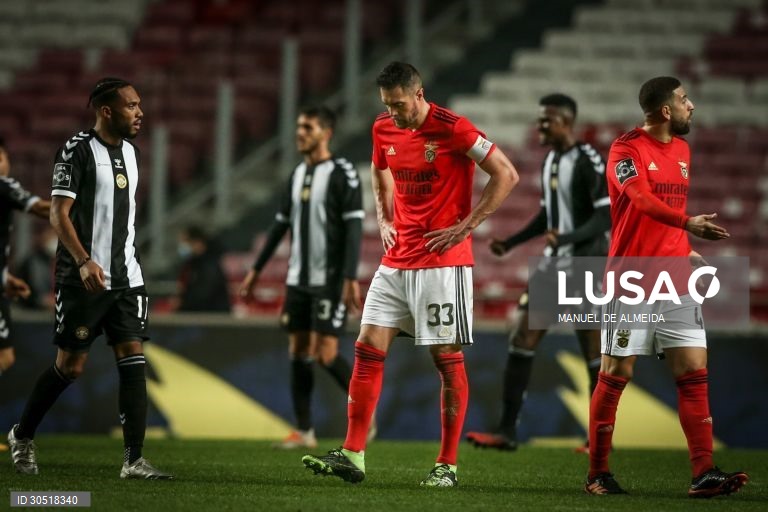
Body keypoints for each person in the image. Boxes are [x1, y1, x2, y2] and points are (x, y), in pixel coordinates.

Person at [301, 61, 519, 487]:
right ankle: (353, 454)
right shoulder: (383, 129)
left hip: (443, 262)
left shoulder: (454, 128)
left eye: (399, 105)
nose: (394, 114)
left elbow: (506, 174)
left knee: (445, 359)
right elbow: (379, 172)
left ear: (419, 95)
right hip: (397, 260)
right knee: (366, 347)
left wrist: (465, 227)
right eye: (387, 106)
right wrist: (384, 219)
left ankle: (447, 466)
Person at [584, 76, 747, 497]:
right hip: (632, 279)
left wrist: (684, 244)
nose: (691, 106)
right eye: (684, 99)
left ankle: (703, 473)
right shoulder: (626, 149)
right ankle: (598, 473)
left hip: (676, 276)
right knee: (616, 372)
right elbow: (640, 201)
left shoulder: (682, 150)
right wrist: (687, 223)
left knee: (693, 369)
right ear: (664, 111)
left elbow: (668, 208)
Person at [7, 77, 173, 480]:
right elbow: (58, 213)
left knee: (132, 358)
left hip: (127, 279)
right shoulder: (77, 150)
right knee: (70, 367)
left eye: (139, 104)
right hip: (82, 279)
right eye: (131, 105)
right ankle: (22, 434)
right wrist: (84, 261)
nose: (140, 112)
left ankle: (133, 460)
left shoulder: (132, 153)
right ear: (106, 111)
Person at [466, 94, 610, 452]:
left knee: (591, 347)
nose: (540, 125)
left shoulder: (588, 159)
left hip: (585, 262)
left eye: (546, 120)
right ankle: (506, 431)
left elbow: (606, 217)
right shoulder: (551, 162)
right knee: (522, 336)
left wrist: (570, 237)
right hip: (553, 262)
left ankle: (599, 440)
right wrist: (512, 242)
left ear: (565, 121)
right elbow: (548, 217)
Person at [240, 105, 365, 449]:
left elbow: (354, 227)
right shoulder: (296, 174)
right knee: (297, 350)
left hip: (329, 278)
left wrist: (350, 277)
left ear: (326, 133)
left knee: (325, 353)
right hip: (298, 279)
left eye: (307, 128)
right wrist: (255, 270)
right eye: (298, 127)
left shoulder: (343, 173)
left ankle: (366, 412)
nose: (300, 133)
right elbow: (280, 224)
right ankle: (305, 431)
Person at [0, 137, 52, 374]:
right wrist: (79, 206)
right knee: (3, 356)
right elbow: (41, 208)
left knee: (5, 356)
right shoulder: (3, 185)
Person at [175, 224, 231, 312]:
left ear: (198, 242)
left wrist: (183, 303)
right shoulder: (193, 264)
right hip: (196, 316)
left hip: (210, 318)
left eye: (186, 242)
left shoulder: (210, 265)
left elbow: (204, 294)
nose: (183, 246)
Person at [17, 227, 57, 311]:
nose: (54, 238)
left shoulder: (70, 264)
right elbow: (21, 293)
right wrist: (41, 301)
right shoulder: (30, 263)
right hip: (35, 316)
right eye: (50, 234)